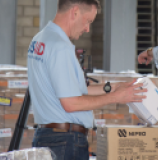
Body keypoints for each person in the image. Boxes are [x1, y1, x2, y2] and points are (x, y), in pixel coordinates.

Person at [27, 0, 147, 159]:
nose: (87, 28)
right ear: (75, 12)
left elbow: (72, 90)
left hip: (47, 137)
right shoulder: (60, 47)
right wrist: (116, 97)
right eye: (88, 21)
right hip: (65, 142)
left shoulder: (40, 39)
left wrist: (112, 87)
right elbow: (71, 103)